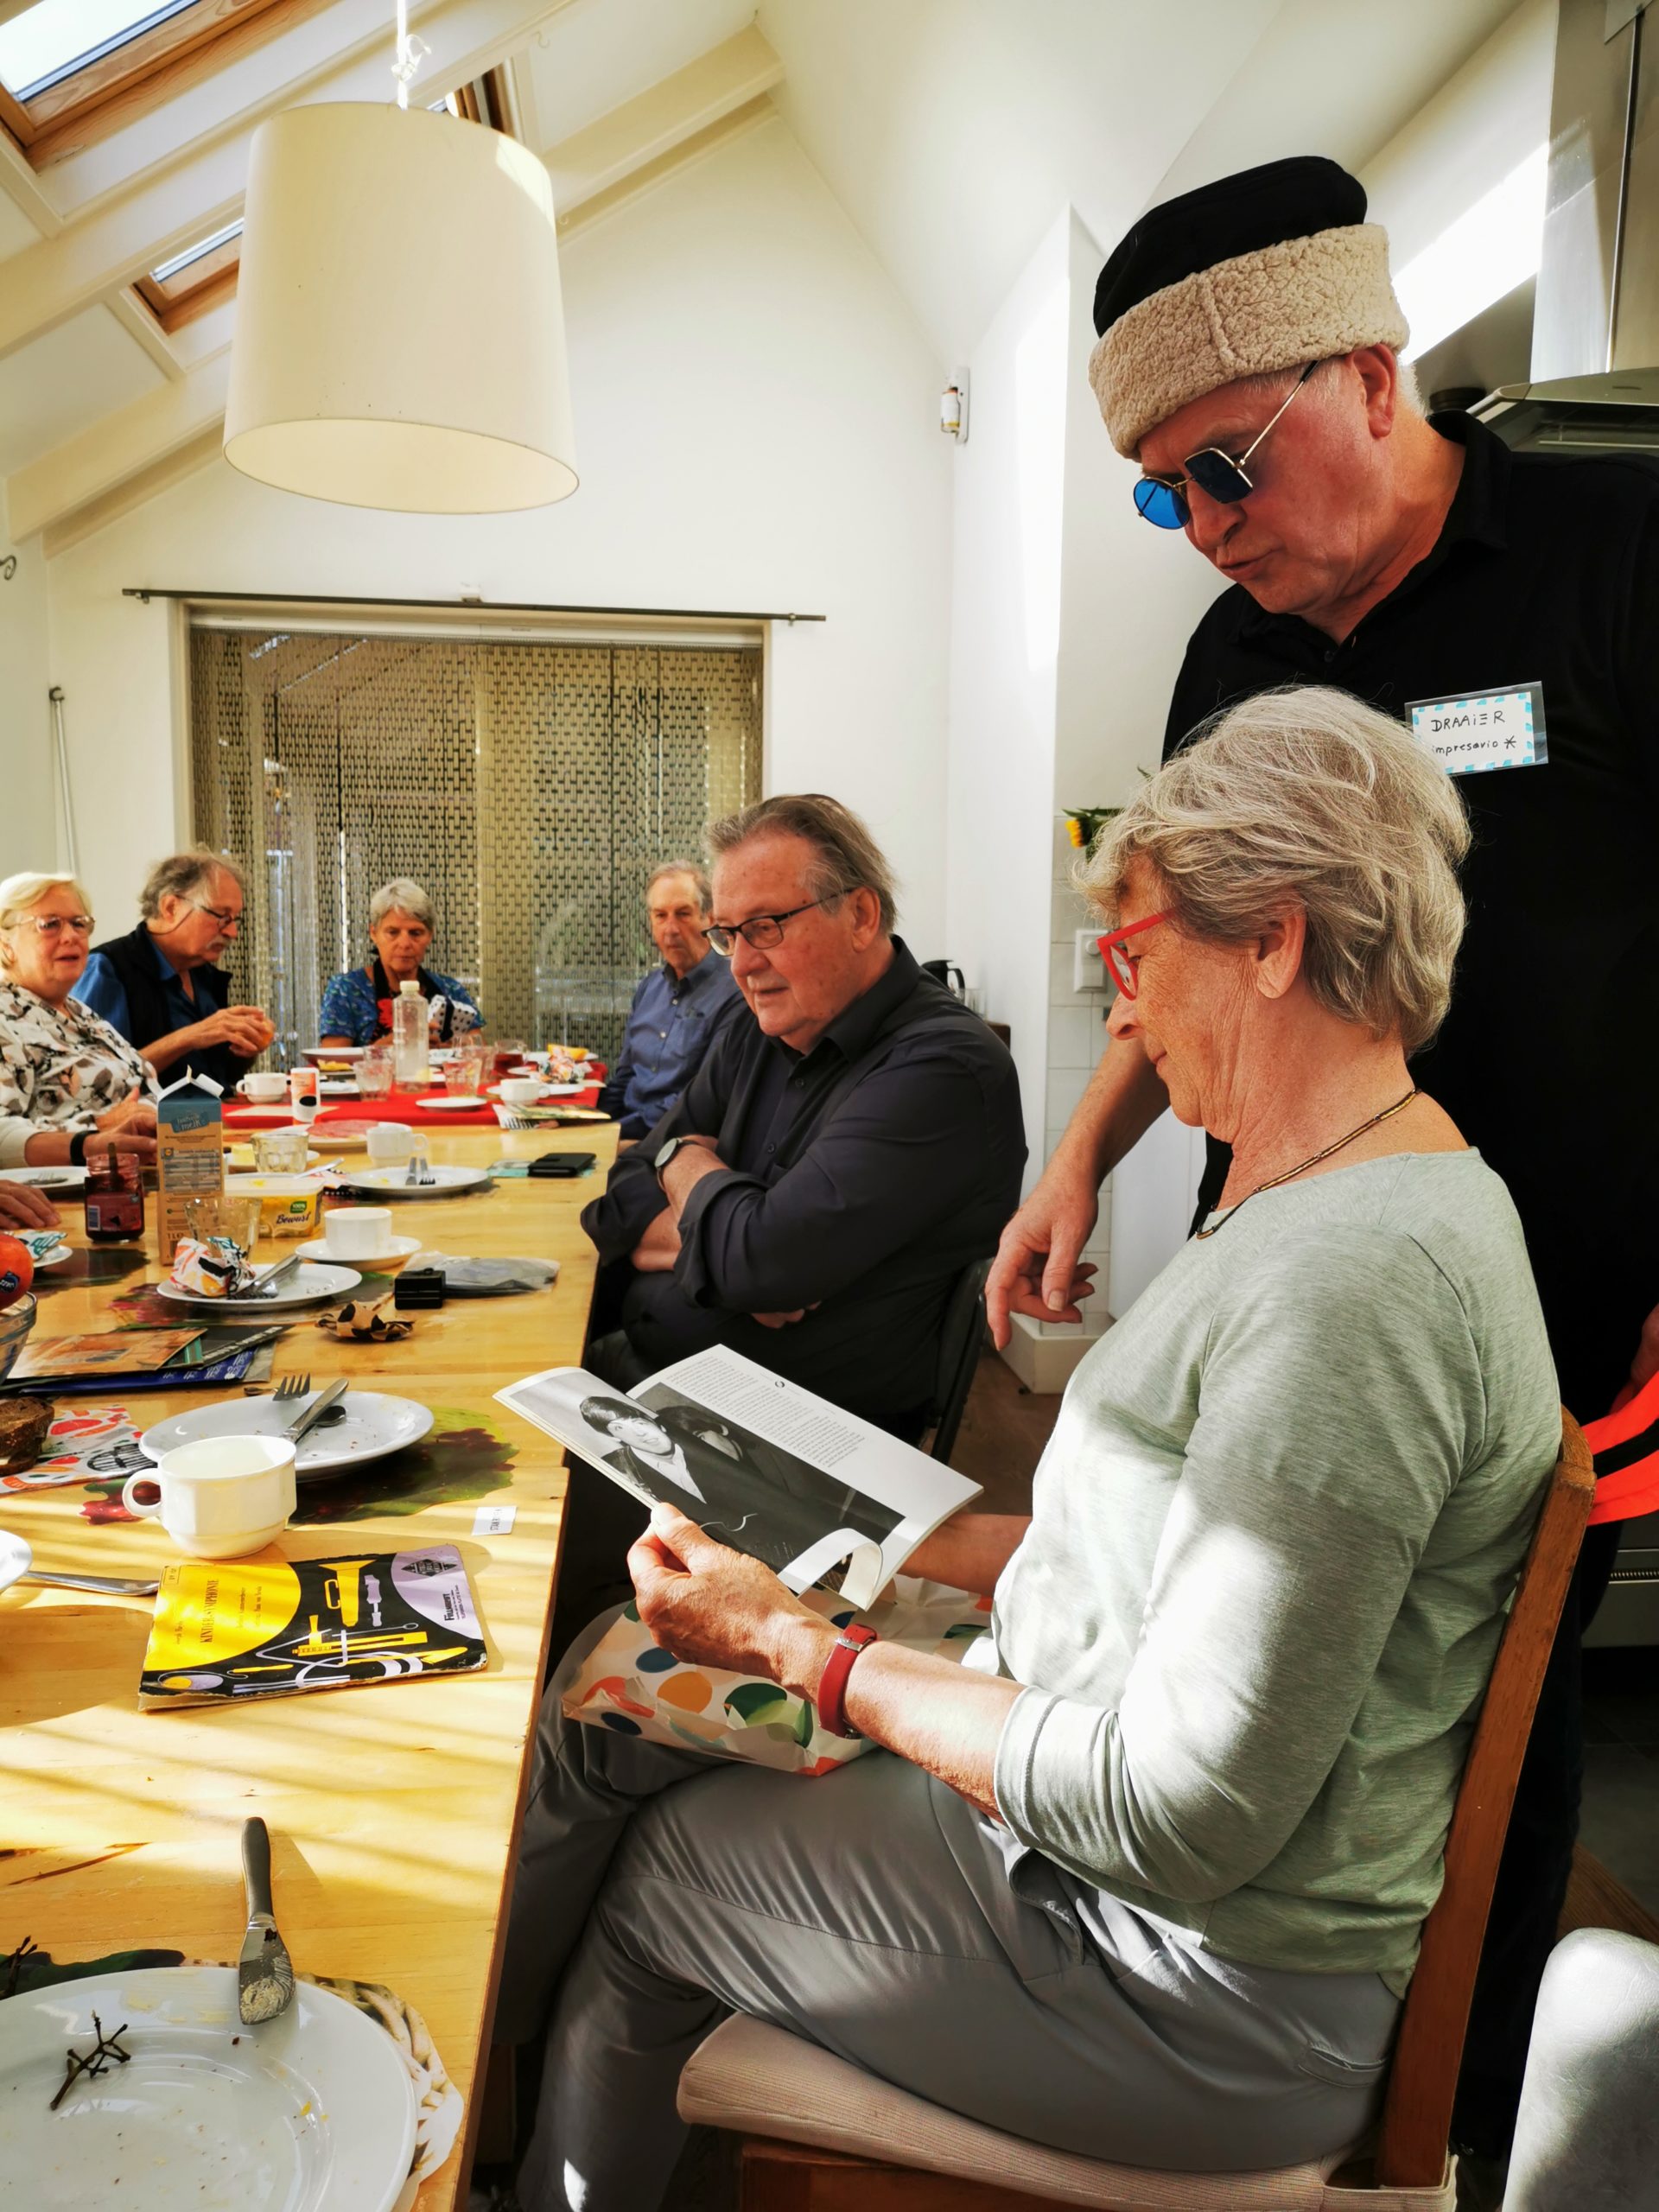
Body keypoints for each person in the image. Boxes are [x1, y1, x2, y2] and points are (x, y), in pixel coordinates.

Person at [497, 691, 1560, 2212]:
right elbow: (1147, 1564)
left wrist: (806, 1651)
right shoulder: (1338, 1194)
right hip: (1101, 1861)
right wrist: (865, 1547)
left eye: (1134, 958)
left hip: (1189, 1989)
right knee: (642, 1738)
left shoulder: (1352, 1286)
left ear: (1274, 939)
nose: (1120, 1017)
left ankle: (508, 2157)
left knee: (660, 1864)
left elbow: (1182, 1814)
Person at [985, 154, 1659, 2163]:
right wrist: (1073, 1160)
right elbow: (1175, 946)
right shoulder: (1234, 661)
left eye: (1227, 466)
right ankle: (1205, 2032)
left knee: (1490, 1745)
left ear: (1371, 377)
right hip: (1278, 1298)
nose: (1206, 527)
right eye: (1161, 494)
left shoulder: (1616, 551)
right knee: (1236, 1674)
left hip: (1561, 1323)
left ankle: (1445, 2130)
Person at [557, 794, 1022, 1653]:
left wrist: (694, 1182)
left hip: (788, 1461)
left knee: (528, 1563)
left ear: (861, 914)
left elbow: (759, 1260)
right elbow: (620, 1196)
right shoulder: (757, 1026)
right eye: (728, 934)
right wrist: (717, 1220)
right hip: (670, 1391)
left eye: (766, 926)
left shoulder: (943, 1065)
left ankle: (587, 1688)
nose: (743, 963)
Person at [574, 1392, 899, 1578]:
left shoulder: (772, 1466)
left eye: (638, 1421)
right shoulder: (638, 1473)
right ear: (616, 1437)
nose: (641, 1433)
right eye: (622, 1429)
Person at [73, 849, 275, 1090]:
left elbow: (220, 1076)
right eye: (222, 916)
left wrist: (245, 1047)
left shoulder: (202, 973)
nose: (232, 932)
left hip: (212, 1113)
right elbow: (95, 1079)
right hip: (146, 1115)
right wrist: (189, 1037)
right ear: (170, 907)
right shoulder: (107, 969)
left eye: (235, 919)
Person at [0, 872, 157, 1171]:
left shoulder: (81, 1013)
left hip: (141, 1171)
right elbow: (2, 1136)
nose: (71, 936)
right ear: (5, 943)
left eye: (79, 923)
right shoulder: (5, 1018)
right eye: (50, 924)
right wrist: (97, 1128)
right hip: (65, 1188)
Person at [597, 861, 741, 1139]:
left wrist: (614, 1135)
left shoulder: (734, 994)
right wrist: (589, 1123)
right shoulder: (649, 989)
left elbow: (703, 1100)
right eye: (660, 916)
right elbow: (625, 1078)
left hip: (675, 1141)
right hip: (624, 1132)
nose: (671, 929)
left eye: (683, 914)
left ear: (710, 919)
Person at [317, 878, 482, 1046]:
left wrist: (452, 1050)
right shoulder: (346, 989)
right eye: (393, 932)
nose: (404, 943)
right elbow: (331, 1059)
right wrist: (386, 1047)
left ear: (430, 935)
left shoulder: (451, 990)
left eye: (416, 933)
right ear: (373, 933)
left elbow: (479, 1050)